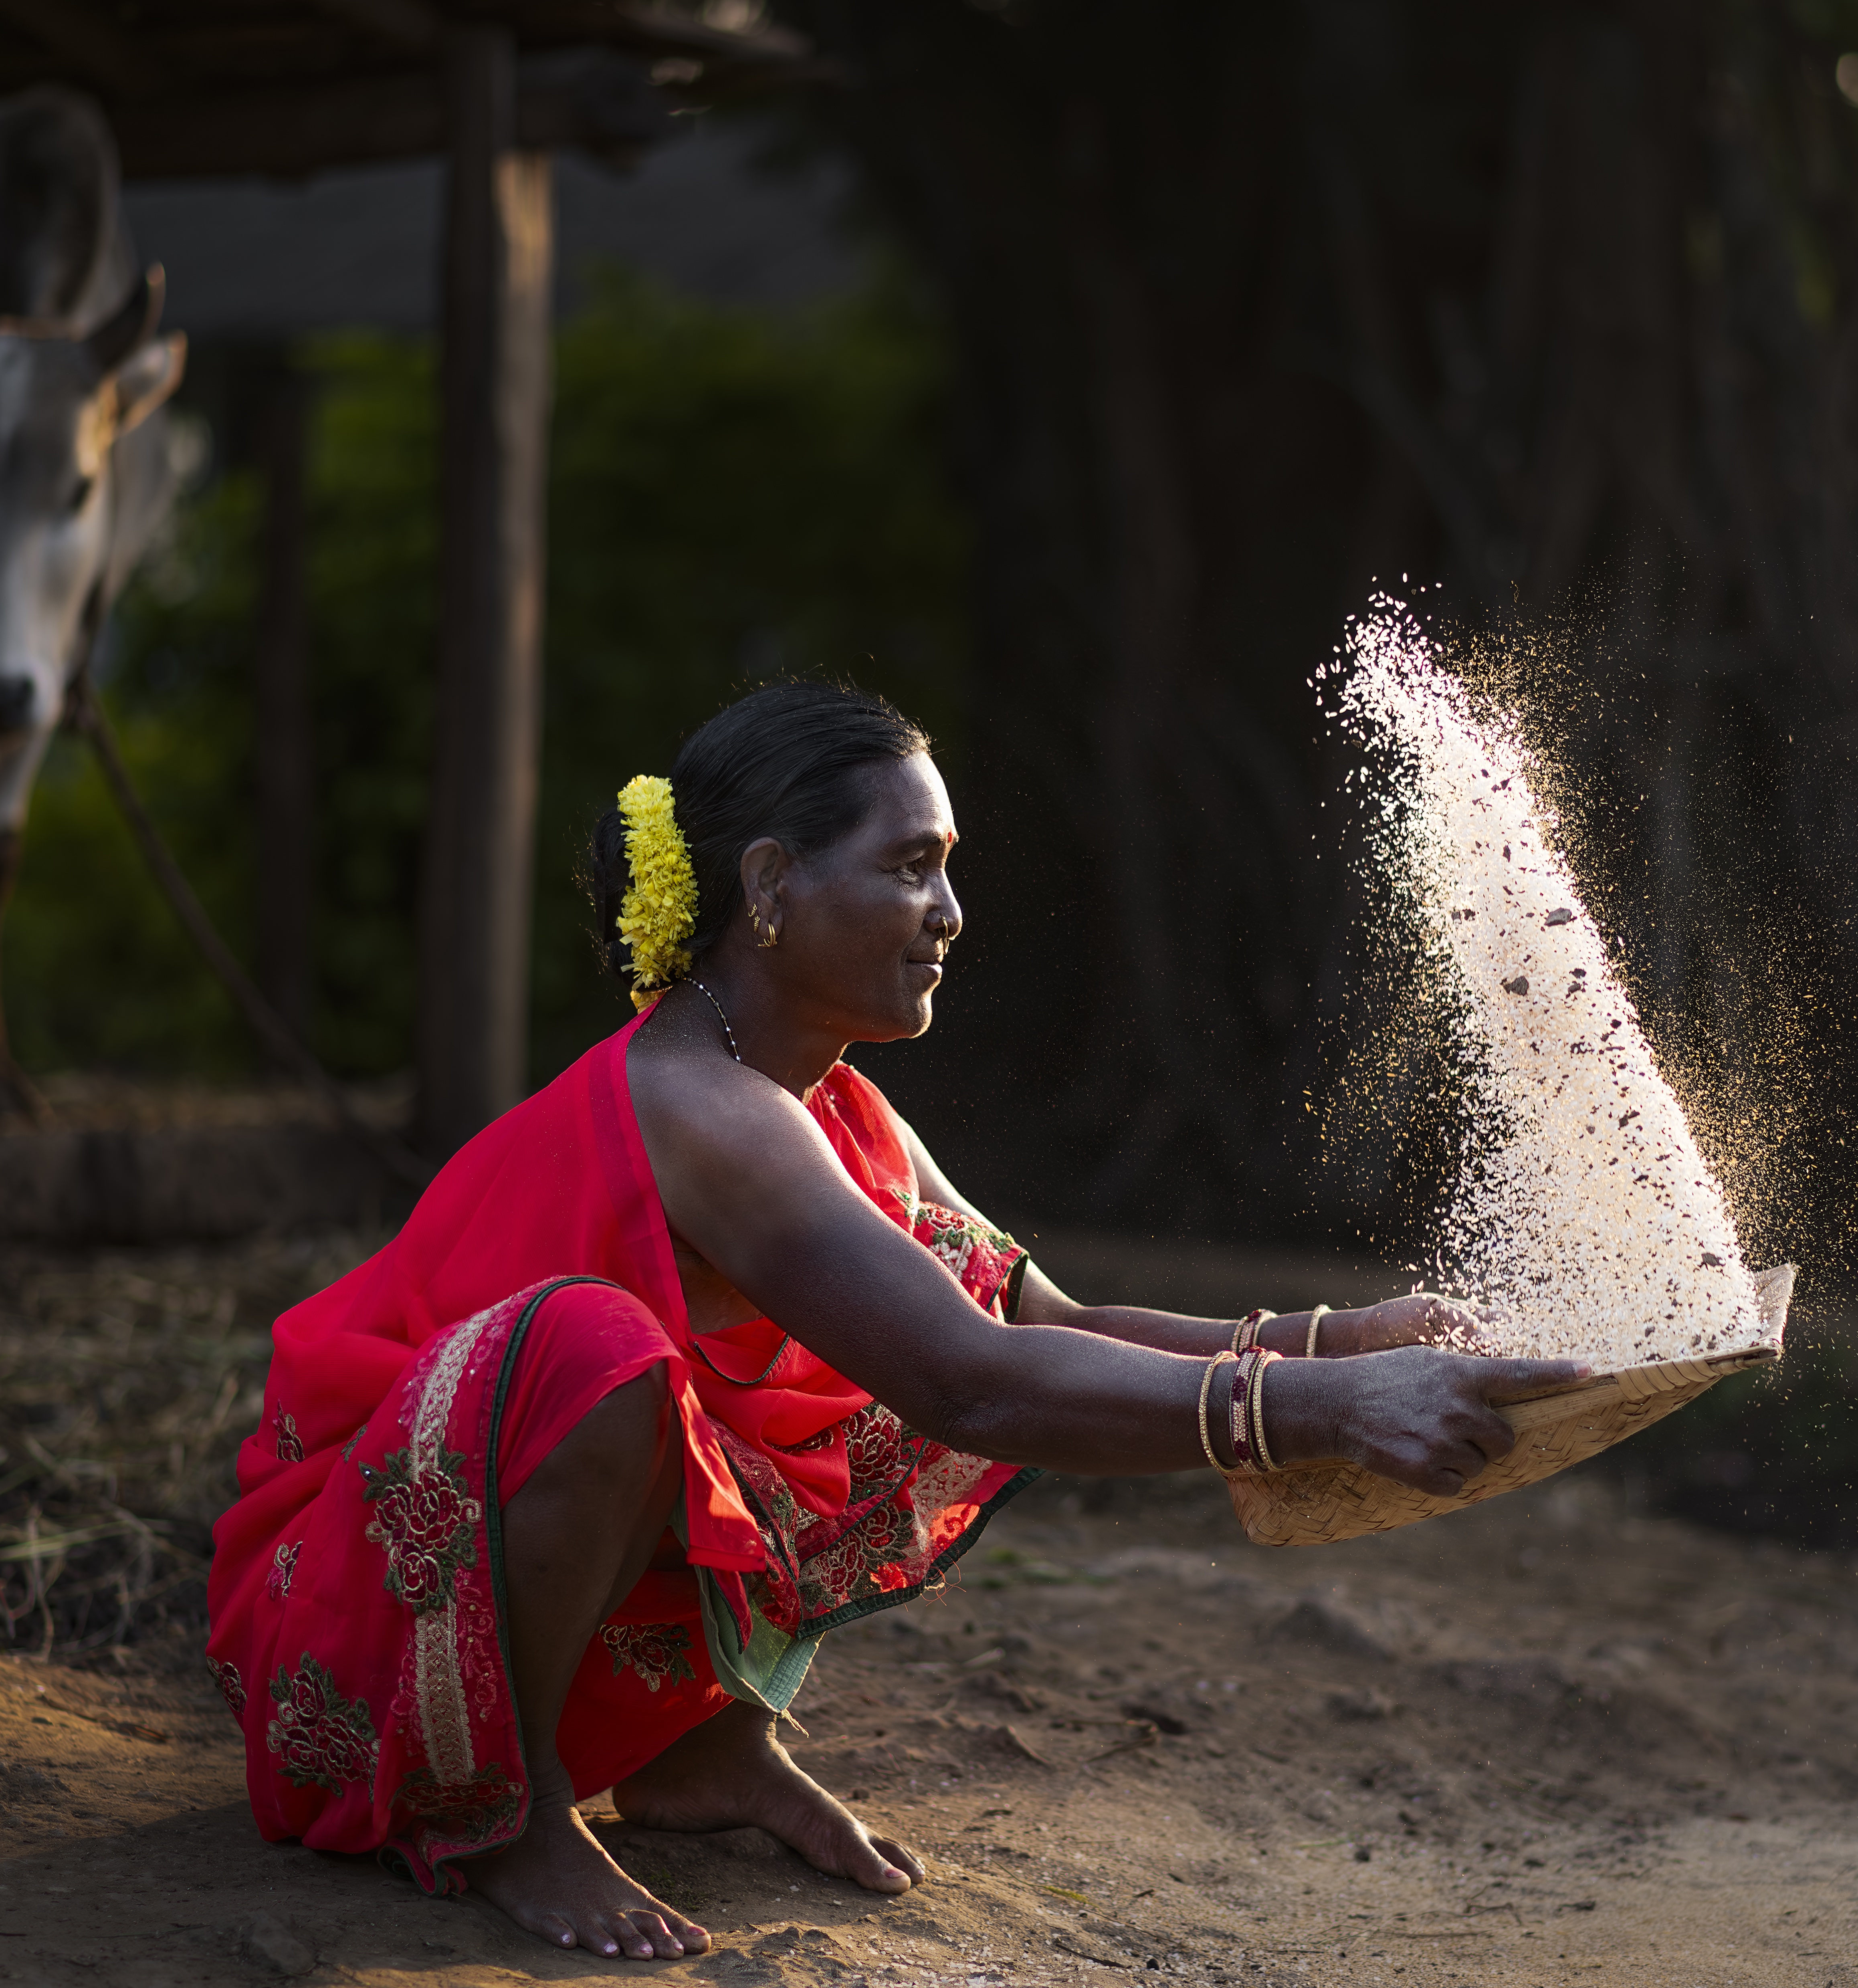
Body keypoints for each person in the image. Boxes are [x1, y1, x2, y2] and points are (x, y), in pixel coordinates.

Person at [205, 682, 1586, 1960]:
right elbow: (974, 1388)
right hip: (344, 1635)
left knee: (866, 1334)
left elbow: (1049, 1315)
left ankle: (695, 1744)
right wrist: (1332, 1415)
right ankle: (506, 1813)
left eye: (948, 863)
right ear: (768, 886)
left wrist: (1342, 1341)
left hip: (479, 1603)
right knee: (602, 1353)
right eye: (911, 863)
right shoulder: (706, 1109)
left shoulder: (837, 1109)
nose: (953, 911)